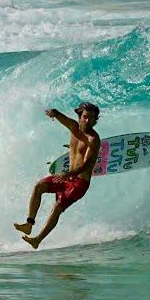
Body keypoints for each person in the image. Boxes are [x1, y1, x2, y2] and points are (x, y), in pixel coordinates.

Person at [14, 102, 101, 249]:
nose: (88, 121)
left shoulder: (93, 139)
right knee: (39, 186)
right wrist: (54, 112)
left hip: (79, 183)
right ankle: (29, 224)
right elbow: (62, 118)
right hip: (67, 177)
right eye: (85, 117)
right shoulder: (74, 127)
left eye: (92, 118)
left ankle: (37, 240)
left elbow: (87, 165)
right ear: (80, 117)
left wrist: (68, 174)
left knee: (57, 207)